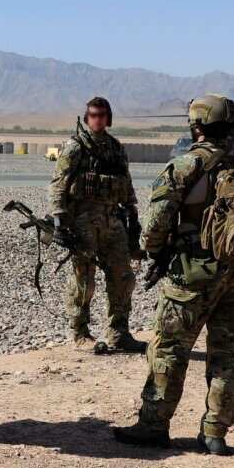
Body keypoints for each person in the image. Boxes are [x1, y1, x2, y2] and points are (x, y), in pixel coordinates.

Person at [113, 94, 234, 455]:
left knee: (169, 349)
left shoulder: (185, 167)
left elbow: (154, 227)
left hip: (190, 275)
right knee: (226, 353)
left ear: (196, 125)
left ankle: (153, 426)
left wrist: (153, 252)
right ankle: (215, 432)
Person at [49, 96, 146, 351]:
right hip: (82, 223)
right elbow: (58, 184)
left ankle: (119, 333)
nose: (97, 119)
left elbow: (126, 184)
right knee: (84, 280)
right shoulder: (75, 146)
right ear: (86, 116)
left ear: (109, 117)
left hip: (113, 222)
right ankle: (80, 334)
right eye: (93, 114)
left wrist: (133, 218)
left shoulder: (115, 147)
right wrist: (59, 222)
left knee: (123, 277)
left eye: (102, 114)